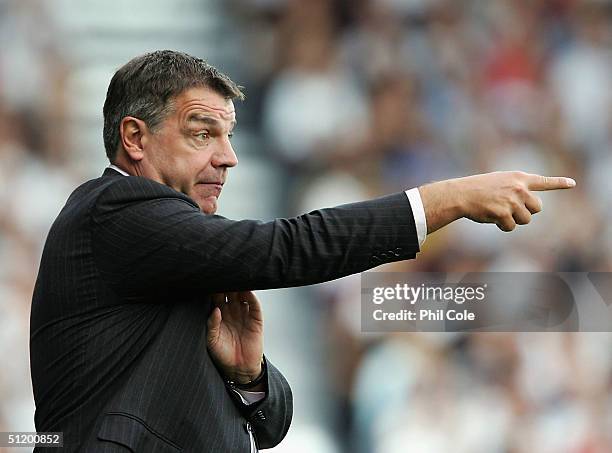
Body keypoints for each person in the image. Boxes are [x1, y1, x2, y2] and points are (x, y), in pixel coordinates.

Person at [30, 50, 576, 452]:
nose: (229, 158)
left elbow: (270, 427)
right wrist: (446, 199)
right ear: (134, 138)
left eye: (230, 135)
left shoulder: (175, 252)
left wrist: (249, 377)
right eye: (203, 134)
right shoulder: (115, 210)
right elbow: (283, 247)